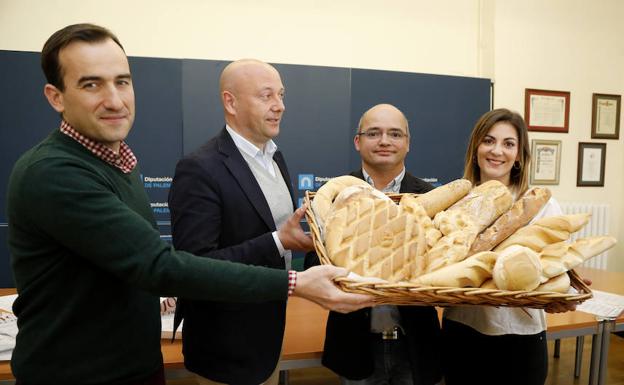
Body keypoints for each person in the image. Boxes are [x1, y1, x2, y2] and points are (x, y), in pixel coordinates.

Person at [6, 24, 373, 385]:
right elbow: (161, 265)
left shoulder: (116, 163)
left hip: (138, 363)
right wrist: (296, 281)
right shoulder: (54, 172)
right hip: (80, 374)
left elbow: (131, 263)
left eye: (122, 81)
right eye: (91, 84)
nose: (115, 100)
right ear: (56, 97)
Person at [167, 58, 318, 385]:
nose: (279, 106)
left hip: (270, 339)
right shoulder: (199, 169)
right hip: (225, 353)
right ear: (230, 102)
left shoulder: (276, 157)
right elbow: (196, 267)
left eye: (281, 95)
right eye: (266, 96)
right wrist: (279, 241)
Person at [305, 104, 442, 385]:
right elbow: (314, 263)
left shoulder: (430, 199)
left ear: (408, 143)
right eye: (374, 133)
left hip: (415, 344)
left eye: (395, 134)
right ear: (358, 141)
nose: (384, 141)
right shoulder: (333, 197)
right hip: (354, 345)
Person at [441, 108, 564, 385]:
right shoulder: (454, 200)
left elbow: (557, 265)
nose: (497, 150)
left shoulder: (540, 205)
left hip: (521, 334)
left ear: (519, 155)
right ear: (475, 148)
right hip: (462, 330)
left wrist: (559, 289)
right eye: (488, 140)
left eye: (508, 144)